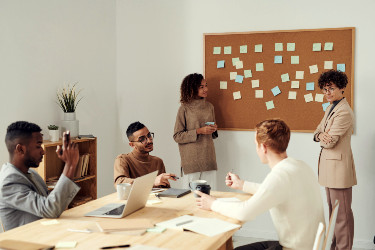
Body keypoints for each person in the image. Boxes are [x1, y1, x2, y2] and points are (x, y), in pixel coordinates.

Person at [195, 119, 324, 250]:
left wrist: (212, 204)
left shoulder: (280, 176)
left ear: (263, 147)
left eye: (256, 145)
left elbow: (244, 212)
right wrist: (242, 185)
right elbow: (273, 191)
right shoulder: (299, 165)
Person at [0, 121, 80, 231]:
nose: (43, 151)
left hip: (45, 235)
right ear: (20, 149)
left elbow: (50, 206)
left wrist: (71, 165)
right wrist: (69, 164)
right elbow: (50, 209)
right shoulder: (9, 181)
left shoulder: (32, 174)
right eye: (38, 146)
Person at [314, 69, 356, 250]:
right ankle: (335, 247)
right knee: (334, 214)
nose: (327, 93)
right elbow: (317, 132)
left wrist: (322, 136)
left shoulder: (344, 112)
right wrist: (321, 135)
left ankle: (343, 248)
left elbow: (330, 142)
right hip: (329, 170)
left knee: (342, 217)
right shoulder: (331, 108)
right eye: (324, 89)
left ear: (341, 88)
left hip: (339, 170)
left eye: (331, 88)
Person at [173, 73, 218, 189]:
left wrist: (213, 129)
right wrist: (198, 131)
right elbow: (177, 136)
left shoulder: (209, 107)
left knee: (210, 195)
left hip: (208, 158)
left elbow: (212, 134)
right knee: (190, 198)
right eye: (201, 87)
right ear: (191, 88)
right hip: (191, 161)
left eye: (206, 86)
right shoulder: (184, 108)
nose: (206, 89)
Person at [114, 121, 176, 188]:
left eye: (149, 135)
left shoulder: (158, 161)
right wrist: (152, 182)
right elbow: (119, 183)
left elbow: (165, 191)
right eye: (142, 139)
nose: (149, 141)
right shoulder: (122, 159)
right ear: (132, 145)